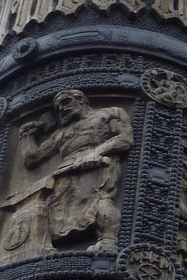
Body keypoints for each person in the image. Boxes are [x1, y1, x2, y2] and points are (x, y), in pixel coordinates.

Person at [16, 89, 133, 251]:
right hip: (66, 172)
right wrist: (26, 136)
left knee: (100, 199)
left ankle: (108, 241)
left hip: (97, 163)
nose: (62, 109)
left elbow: (125, 139)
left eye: (65, 102)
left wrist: (95, 153)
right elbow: (32, 159)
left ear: (81, 100)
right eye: (58, 108)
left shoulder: (109, 114)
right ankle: (43, 248)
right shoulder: (61, 134)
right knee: (54, 209)